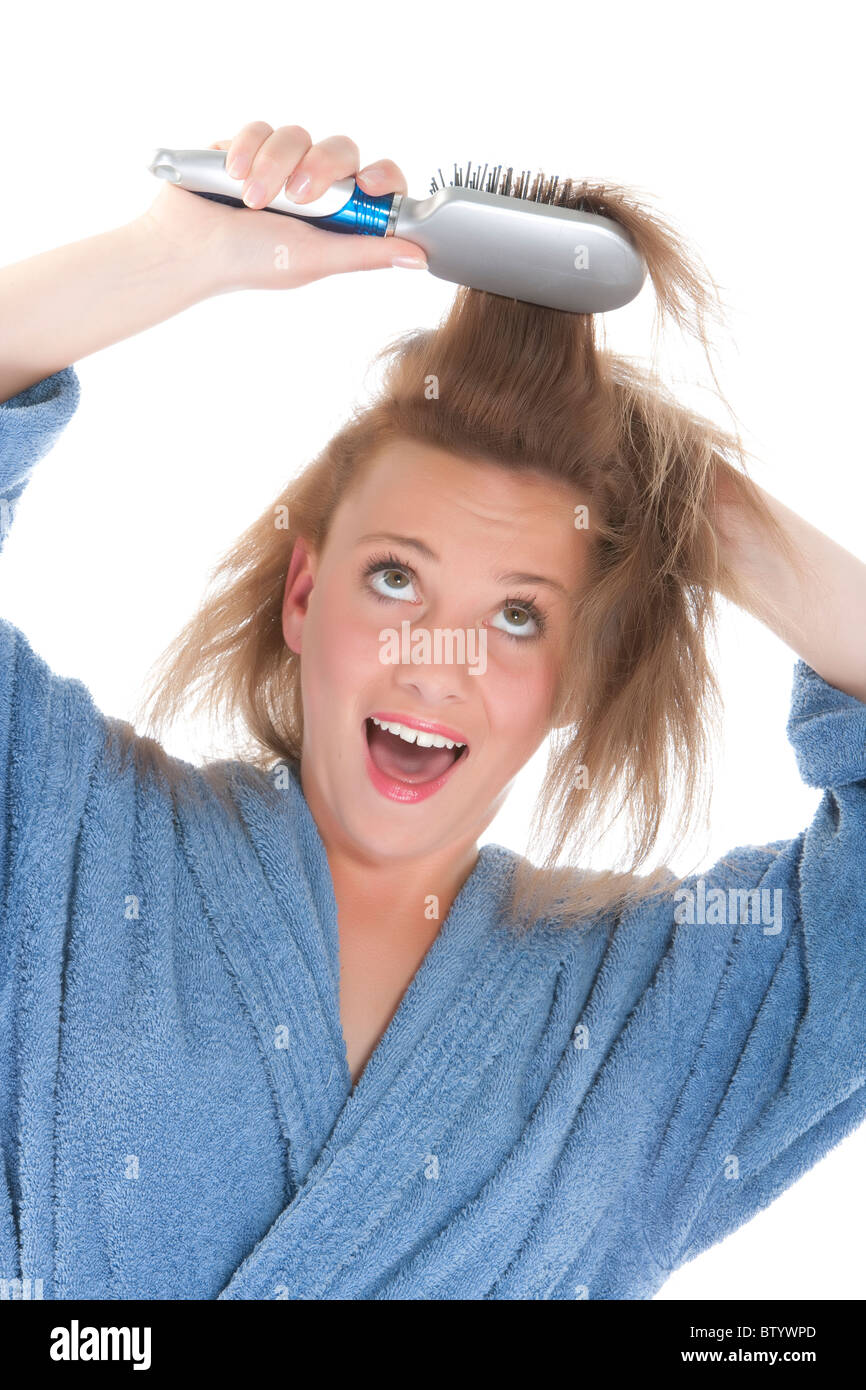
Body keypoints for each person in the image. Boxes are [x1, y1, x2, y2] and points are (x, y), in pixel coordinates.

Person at [1, 120, 864, 1301]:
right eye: (395, 577)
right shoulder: (70, 832)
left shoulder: (645, 1013)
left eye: (518, 614)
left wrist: (696, 505)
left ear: (570, 679)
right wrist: (167, 259)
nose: (438, 658)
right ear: (304, 595)